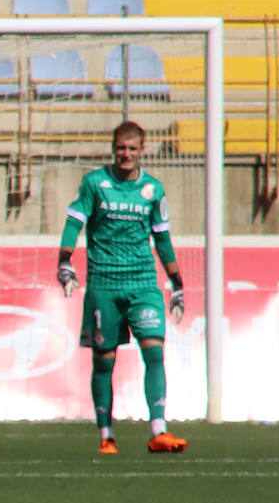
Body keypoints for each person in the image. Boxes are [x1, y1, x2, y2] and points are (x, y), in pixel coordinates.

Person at [57, 120, 187, 455]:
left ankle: (159, 431)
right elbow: (74, 222)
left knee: (154, 352)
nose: (125, 154)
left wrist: (177, 282)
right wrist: (65, 261)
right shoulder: (95, 183)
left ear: (142, 150)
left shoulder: (153, 190)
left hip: (143, 283)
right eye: (120, 148)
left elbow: (162, 238)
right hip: (104, 284)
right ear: (113, 149)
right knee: (104, 361)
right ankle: (106, 435)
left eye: (132, 149)